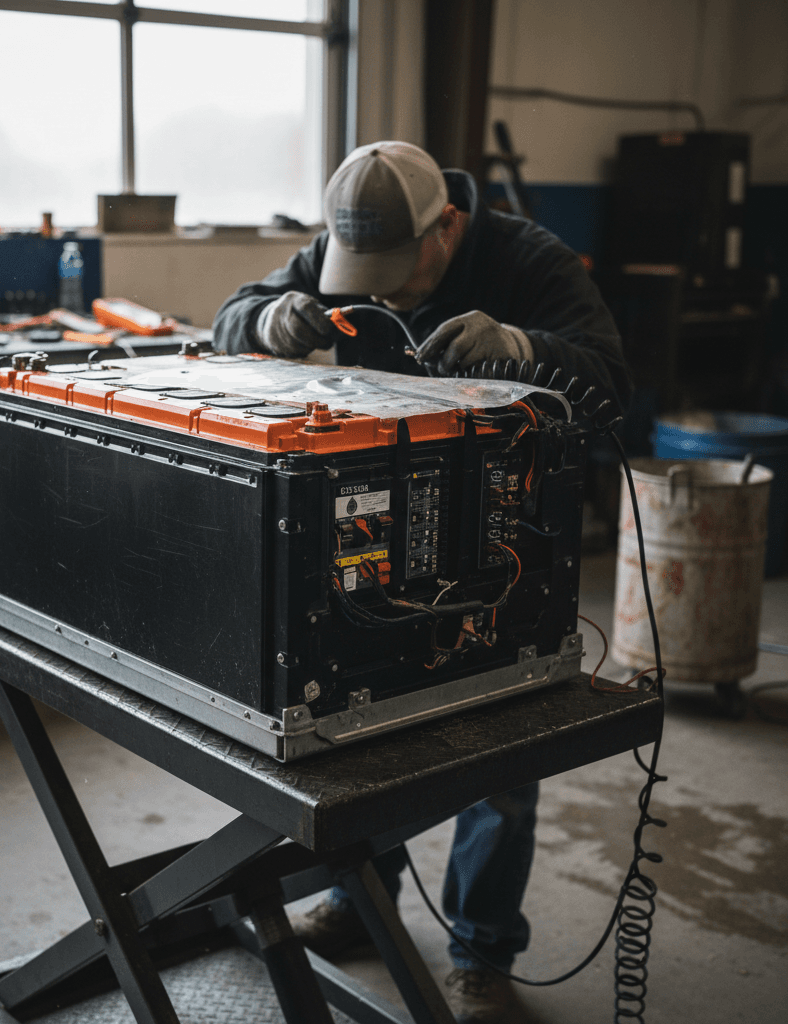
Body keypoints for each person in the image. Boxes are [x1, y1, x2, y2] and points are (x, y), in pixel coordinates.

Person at [213, 141, 631, 1024]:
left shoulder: (530, 260)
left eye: (399, 270)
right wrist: (264, 320)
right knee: (369, 724)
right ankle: (359, 899)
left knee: (498, 753)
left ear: (447, 226)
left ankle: (479, 950)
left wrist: (523, 348)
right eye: (360, 272)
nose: (381, 289)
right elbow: (229, 316)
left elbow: (614, 389)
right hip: (385, 528)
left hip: (505, 536)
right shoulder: (338, 261)